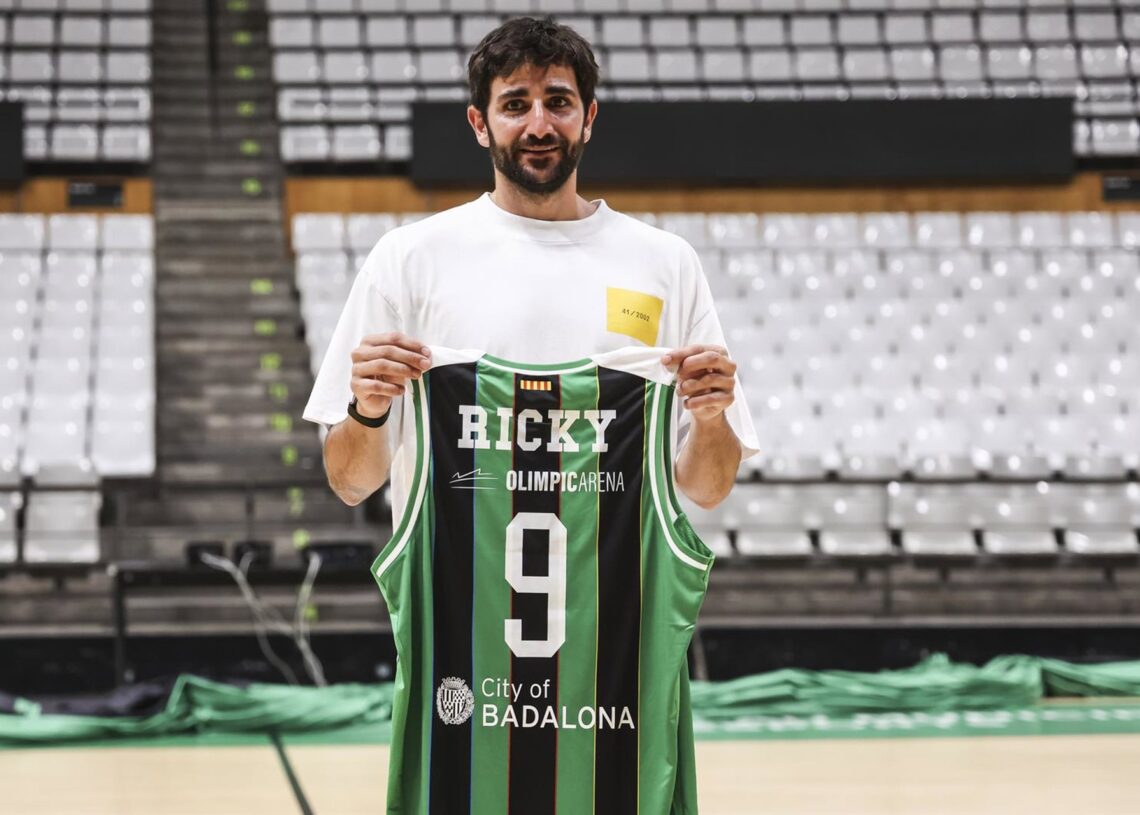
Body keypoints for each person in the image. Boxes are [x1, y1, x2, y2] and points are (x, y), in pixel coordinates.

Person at [303, 16, 759, 514]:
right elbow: (351, 485)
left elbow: (708, 490)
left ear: (589, 117)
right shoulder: (406, 259)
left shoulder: (667, 263)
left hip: (622, 570)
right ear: (480, 124)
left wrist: (711, 419)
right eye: (515, 105)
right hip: (452, 570)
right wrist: (368, 411)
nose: (539, 126)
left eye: (558, 102)